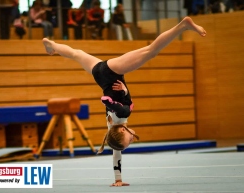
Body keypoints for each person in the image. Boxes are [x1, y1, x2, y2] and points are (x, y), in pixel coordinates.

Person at [42, 16, 206, 186]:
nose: (131, 140)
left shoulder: (122, 116)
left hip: (111, 73)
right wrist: (118, 179)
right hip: (99, 74)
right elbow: (116, 153)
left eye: (128, 140)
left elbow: (114, 103)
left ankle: (183, 26)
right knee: (76, 54)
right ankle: (51, 44)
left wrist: (114, 98)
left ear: (121, 132)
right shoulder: (112, 129)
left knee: (151, 51)